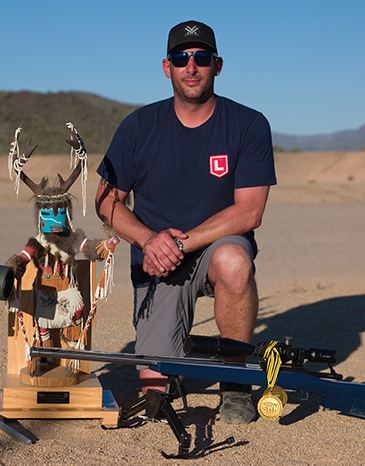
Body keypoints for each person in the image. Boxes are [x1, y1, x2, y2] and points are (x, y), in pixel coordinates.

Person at [95, 20, 277, 424]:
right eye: (181, 58)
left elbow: (250, 211)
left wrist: (180, 243)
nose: (191, 66)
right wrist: (149, 240)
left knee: (234, 260)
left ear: (218, 65)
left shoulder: (248, 124)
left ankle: (234, 382)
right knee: (155, 391)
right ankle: (171, 367)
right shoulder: (138, 127)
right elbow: (106, 201)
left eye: (201, 58)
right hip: (157, 258)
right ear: (167, 67)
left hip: (213, 247)